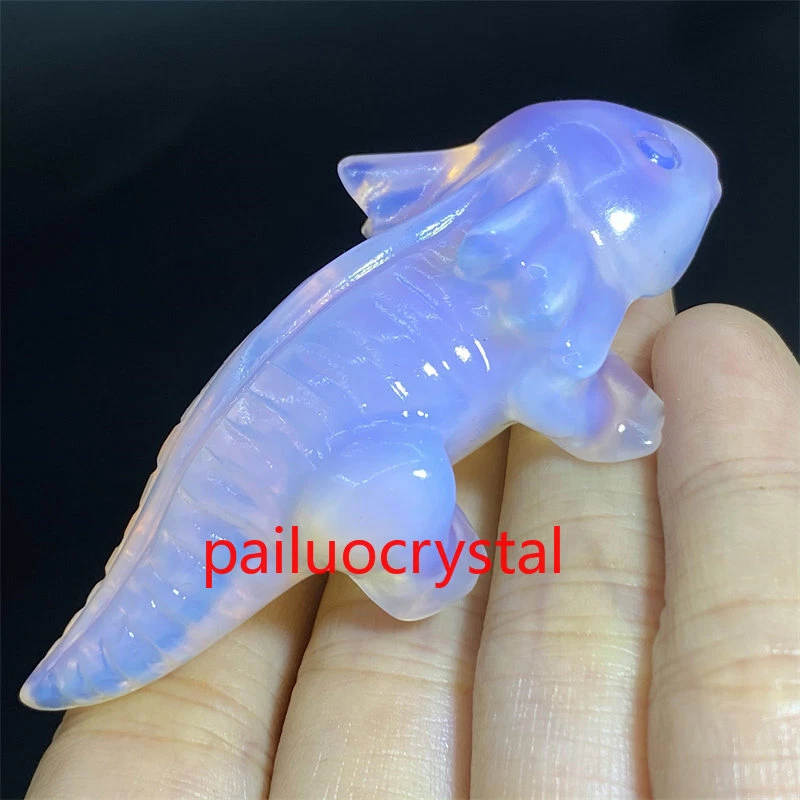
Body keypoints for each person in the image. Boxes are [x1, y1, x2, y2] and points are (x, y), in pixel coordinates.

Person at [25, 298, 799, 799]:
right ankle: (417, 576)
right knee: (403, 489)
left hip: (332, 467)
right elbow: (568, 399)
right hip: (345, 480)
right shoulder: (531, 315)